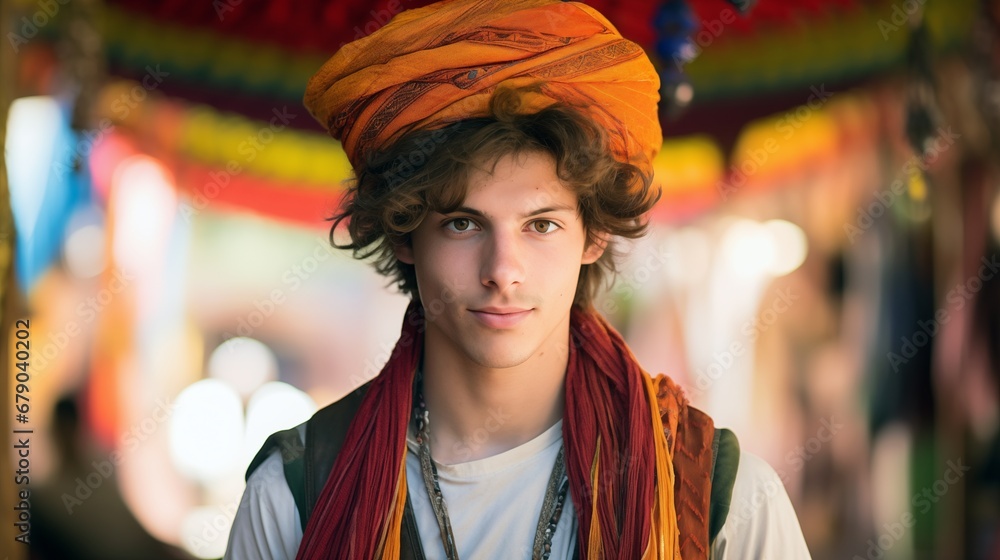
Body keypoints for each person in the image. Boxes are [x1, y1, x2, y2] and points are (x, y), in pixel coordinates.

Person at [225, 0, 812, 558]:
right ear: (405, 236)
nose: (502, 271)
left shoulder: (718, 498)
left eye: (541, 225)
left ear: (595, 235)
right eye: (462, 224)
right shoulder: (295, 494)